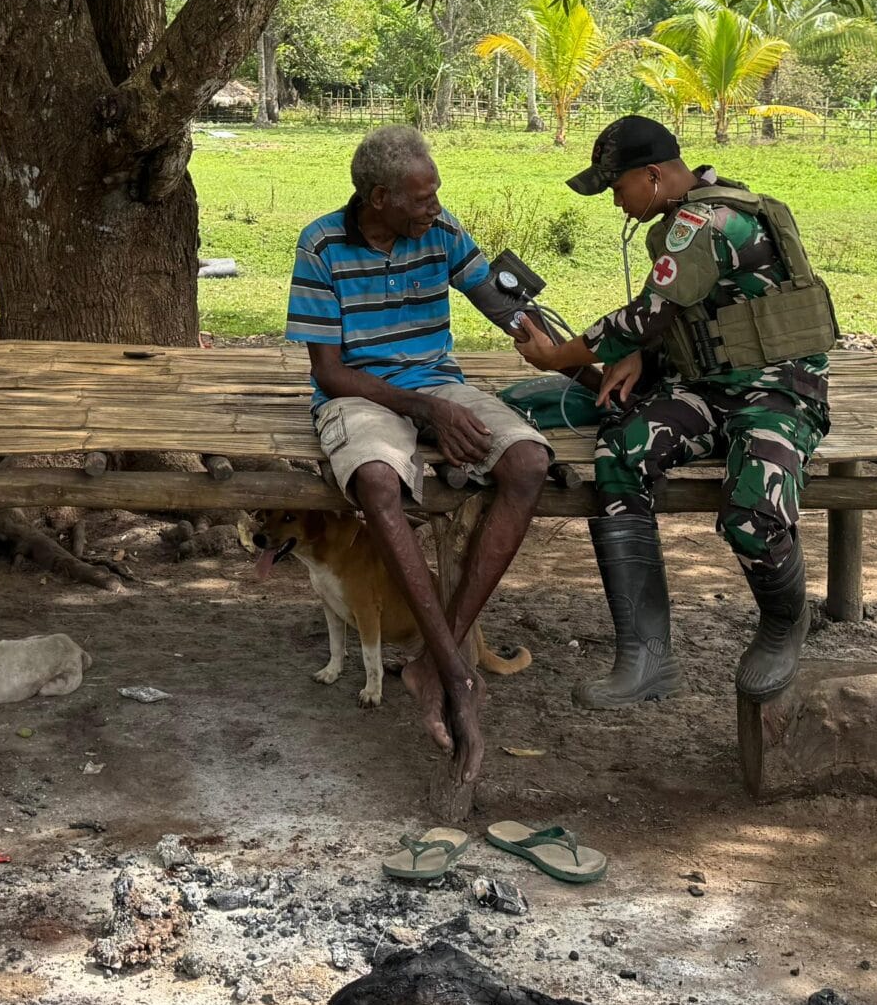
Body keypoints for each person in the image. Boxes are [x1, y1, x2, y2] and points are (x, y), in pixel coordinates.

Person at [511, 115, 834, 710]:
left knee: (752, 515)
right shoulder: (700, 209)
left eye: (617, 187)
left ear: (654, 175)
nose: (615, 201)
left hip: (778, 393)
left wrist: (558, 355)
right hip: (709, 390)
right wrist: (641, 352)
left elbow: (643, 316)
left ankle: (785, 623)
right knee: (620, 450)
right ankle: (646, 655)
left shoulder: (705, 222)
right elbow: (684, 315)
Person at [285, 125, 552, 791]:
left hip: (440, 382)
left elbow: (496, 299)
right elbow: (331, 372)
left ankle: (437, 663)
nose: (436, 207)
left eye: (435, 195)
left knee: (528, 464)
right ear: (379, 199)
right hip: (363, 392)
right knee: (376, 482)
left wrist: (551, 337)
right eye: (422, 198)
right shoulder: (321, 246)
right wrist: (425, 411)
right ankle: (454, 669)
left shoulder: (440, 231)